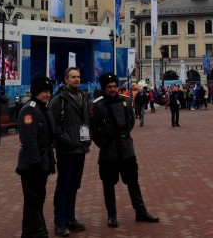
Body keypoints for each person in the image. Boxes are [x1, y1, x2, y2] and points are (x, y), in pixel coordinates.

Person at [90, 72, 159, 228]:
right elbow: (94, 130)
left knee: (133, 181)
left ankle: (140, 211)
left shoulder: (126, 100)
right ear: (104, 88)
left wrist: (124, 135)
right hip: (109, 151)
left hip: (126, 149)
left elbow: (130, 122)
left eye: (114, 86)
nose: (113, 89)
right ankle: (112, 215)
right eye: (109, 87)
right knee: (108, 184)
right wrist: (104, 143)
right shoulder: (97, 105)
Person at [48, 67, 91, 237]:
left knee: (74, 185)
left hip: (80, 148)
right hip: (66, 149)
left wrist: (87, 138)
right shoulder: (59, 100)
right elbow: (53, 124)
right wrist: (64, 139)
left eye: (78, 77)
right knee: (63, 186)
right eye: (73, 77)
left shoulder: (84, 97)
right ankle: (60, 222)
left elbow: (87, 120)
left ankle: (70, 218)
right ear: (66, 80)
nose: (76, 80)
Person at [16, 76, 56, 238]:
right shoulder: (30, 109)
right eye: (44, 91)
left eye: (49, 91)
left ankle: (28, 231)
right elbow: (29, 139)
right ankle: (40, 231)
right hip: (32, 164)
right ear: (35, 92)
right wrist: (36, 162)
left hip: (43, 160)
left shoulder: (44, 108)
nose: (47, 95)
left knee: (35, 198)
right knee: (35, 198)